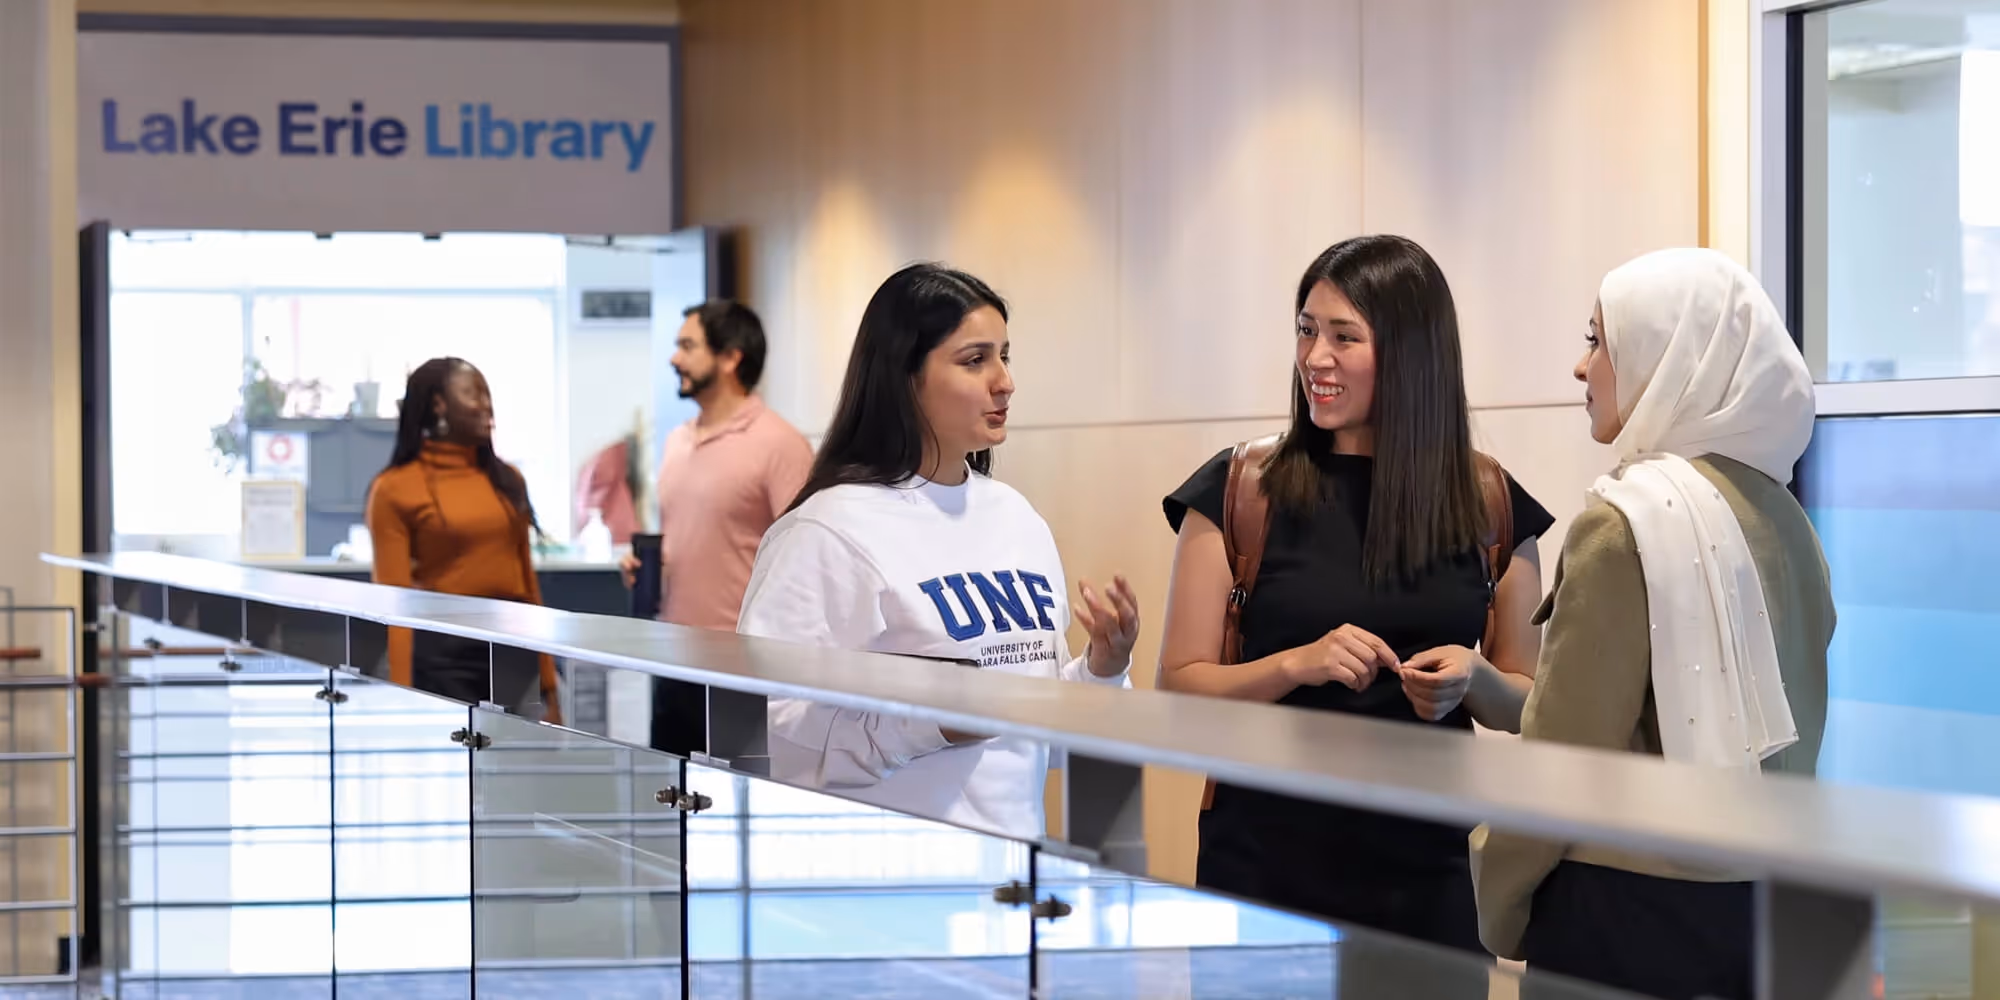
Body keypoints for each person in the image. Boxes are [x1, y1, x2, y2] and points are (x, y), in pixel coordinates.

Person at [1156, 235, 1554, 973]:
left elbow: (1529, 701)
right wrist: (1294, 666)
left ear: (1411, 353)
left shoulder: (1491, 503)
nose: (1315, 358)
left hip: (1426, 878)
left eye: (1344, 336)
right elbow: (1179, 687)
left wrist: (1476, 681)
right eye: (1306, 330)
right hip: (1264, 873)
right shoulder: (1240, 488)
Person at [1471, 248, 1833, 1000]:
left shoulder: (1623, 524)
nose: (1581, 367)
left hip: (1619, 916)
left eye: (1599, 340)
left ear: (1668, 356)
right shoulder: (1790, 524)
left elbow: (1564, 759)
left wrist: (1495, 898)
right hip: (1761, 908)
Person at [735, 262, 1140, 840]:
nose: (1004, 381)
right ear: (905, 377)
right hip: (887, 886)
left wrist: (1103, 668)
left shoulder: (1016, 517)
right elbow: (776, 730)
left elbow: (1032, 733)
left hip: (1010, 881)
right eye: (975, 360)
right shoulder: (827, 530)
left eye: (1005, 355)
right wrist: (934, 725)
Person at [615, 300, 813, 753]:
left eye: (687, 345)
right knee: (673, 804)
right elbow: (693, 540)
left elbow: (805, 564)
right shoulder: (676, 441)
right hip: (673, 660)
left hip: (744, 670)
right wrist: (647, 569)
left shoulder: (780, 445)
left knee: (733, 814)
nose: (674, 358)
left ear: (730, 356)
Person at [366, 357, 560, 722]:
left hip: (515, 649)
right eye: (473, 394)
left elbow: (527, 586)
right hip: (444, 658)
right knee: (458, 773)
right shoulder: (394, 489)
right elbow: (392, 605)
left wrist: (548, 683)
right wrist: (399, 693)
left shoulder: (507, 480)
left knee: (522, 770)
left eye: (488, 395)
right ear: (438, 404)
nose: (486, 406)